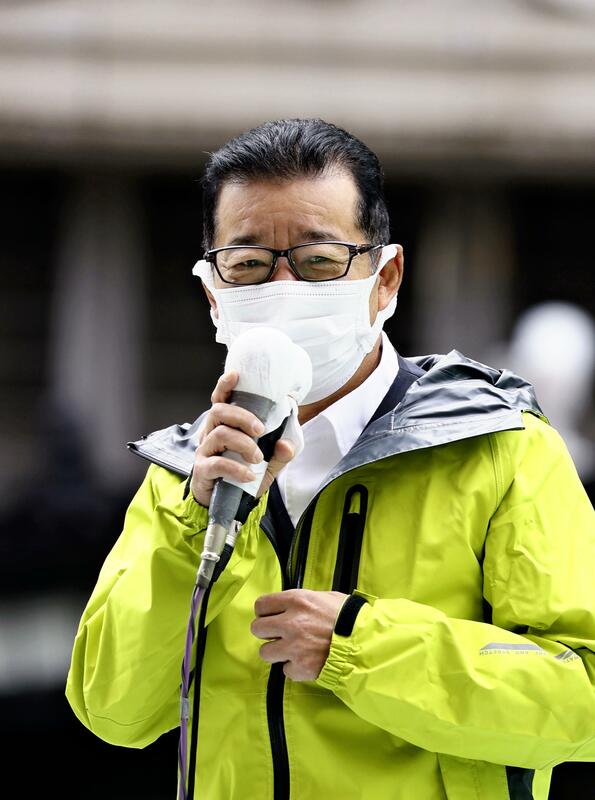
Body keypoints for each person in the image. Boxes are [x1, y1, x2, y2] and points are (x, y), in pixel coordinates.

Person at [66, 119, 595, 800]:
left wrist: (358, 643)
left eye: (318, 261)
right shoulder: (184, 476)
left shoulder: (498, 448)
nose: (282, 286)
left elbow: (582, 697)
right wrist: (194, 526)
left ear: (385, 278)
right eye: (249, 265)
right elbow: (113, 711)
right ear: (213, 293)